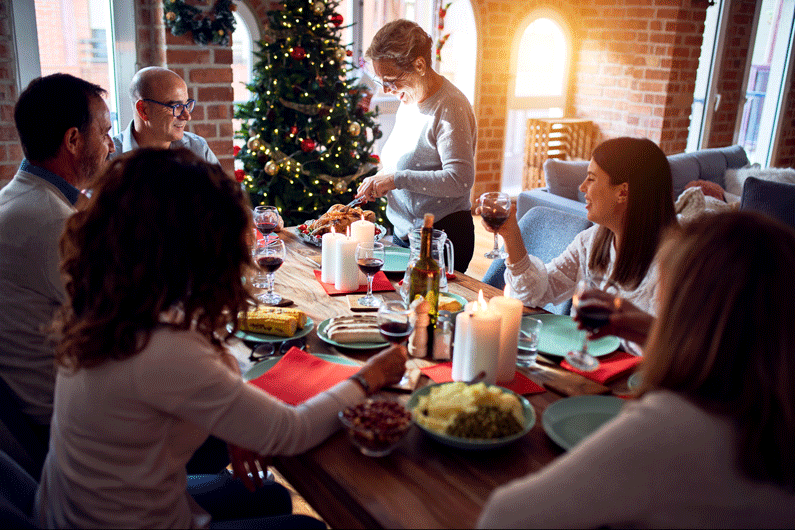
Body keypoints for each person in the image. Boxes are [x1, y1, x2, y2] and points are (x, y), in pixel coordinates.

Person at [35, 148, 407, 528]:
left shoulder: (109, 302)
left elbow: (201, 366)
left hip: (75, 511)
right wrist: (369, 377)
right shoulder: (161, 347)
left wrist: (232, 419)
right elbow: (291, 433)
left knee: (272, 495)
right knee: (308, 526)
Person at [478, 211, 795, 528]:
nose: (657, 296)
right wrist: (646, 330)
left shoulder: (672, 427)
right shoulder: (774, 426)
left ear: (687, 307)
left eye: (666, 287)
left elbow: (503, 516)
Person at [0, 73, 115, 476]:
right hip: (71, 433)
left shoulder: (18, 198)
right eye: (104, 133)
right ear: (72, 141)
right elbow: (127, 324)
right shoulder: (50, 221)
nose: (111, 146)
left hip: (42, 414)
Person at [483, 137, 676, 316]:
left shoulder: (671, 262)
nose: (582, 187)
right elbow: (535, 293)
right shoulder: (590, 241)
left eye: (591, 178)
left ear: (623, 192)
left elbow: (665, 345)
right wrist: (511, 234)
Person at [355, 19, 477, 274]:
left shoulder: (450, 106)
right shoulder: (409, 99)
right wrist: (379, 179)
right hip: (404, 236)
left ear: (420, 65)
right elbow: (402, 162)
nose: (388, 90)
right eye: (382, 81)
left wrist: (397, 179)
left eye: (391, 80)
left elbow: (460, 180)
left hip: (440, 238)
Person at [110, 66, 219, 164]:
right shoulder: (108, 158)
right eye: (176, 107)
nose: (187, 116)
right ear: (143, 110)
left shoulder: (197, 148)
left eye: (186, 105)